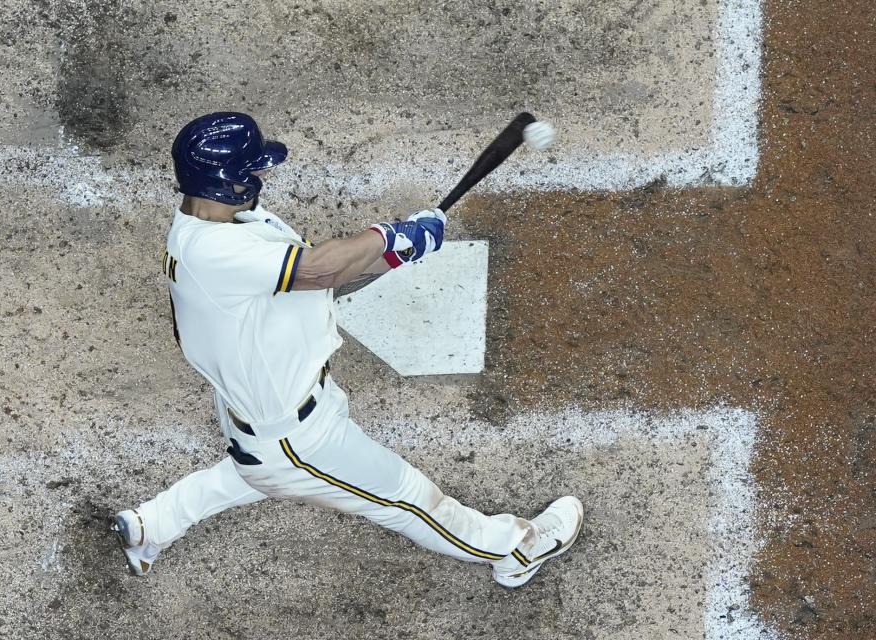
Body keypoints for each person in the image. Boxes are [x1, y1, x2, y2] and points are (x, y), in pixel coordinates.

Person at [111, 112, 583, 588]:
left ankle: (153, 525)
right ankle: (516, 549)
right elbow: (320, 268)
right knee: (411, 501)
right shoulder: (214, 253)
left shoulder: (217, 225)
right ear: (227, 179)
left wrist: (403, 249)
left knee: (260, 470)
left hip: (269, 411)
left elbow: (314, 278)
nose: (259, 177)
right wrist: (389, 235)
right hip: (295, 434)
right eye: (251, 170)